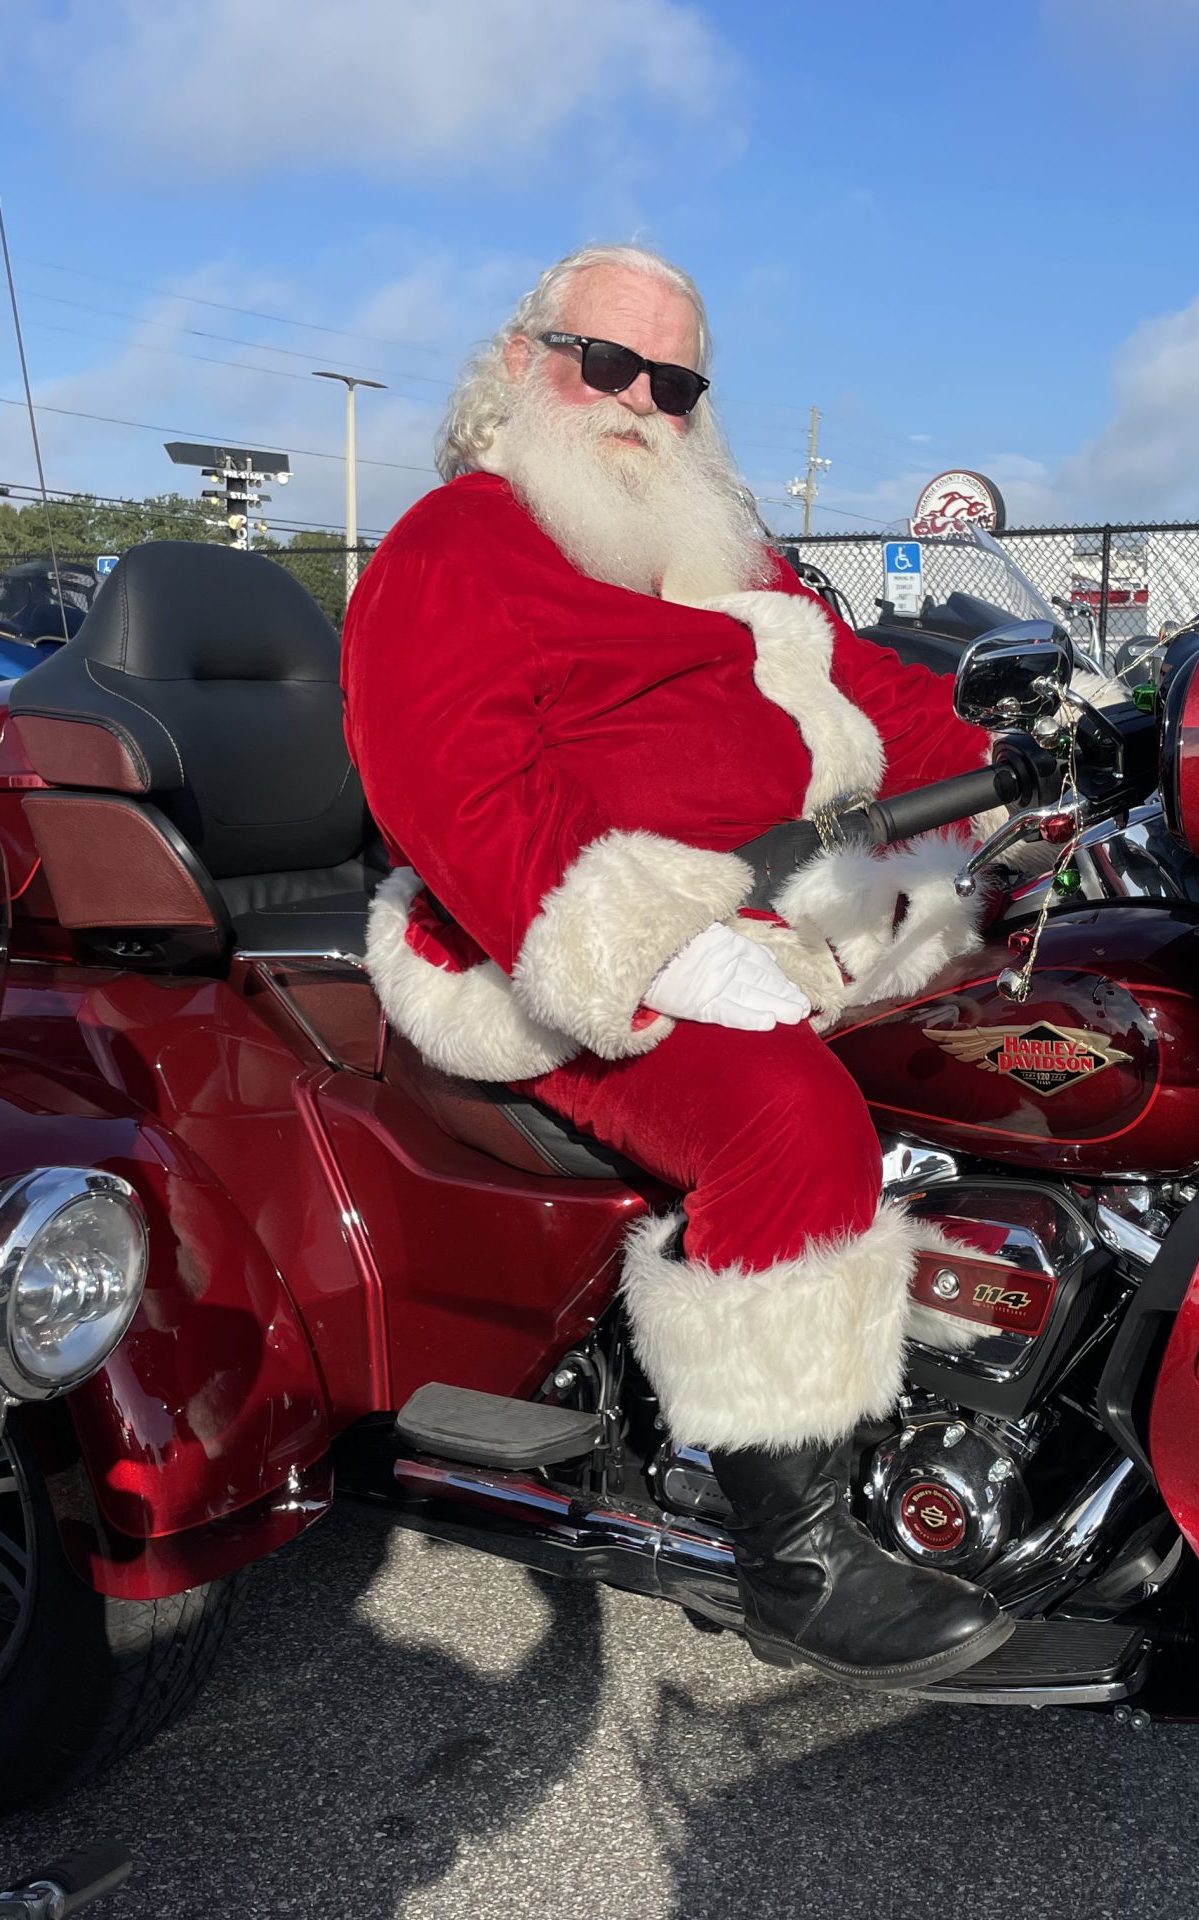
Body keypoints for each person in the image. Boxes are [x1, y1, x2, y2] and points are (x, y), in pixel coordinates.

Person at [342, 245, 1016, 1688]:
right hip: (543, 936)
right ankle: (798, 1553)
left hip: (786, 905)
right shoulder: (459, 543)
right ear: (526, 362)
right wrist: (658, 947)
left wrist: (1033, 749)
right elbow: (451, 790)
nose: (644, 401)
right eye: (610, 363)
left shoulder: (723, 554)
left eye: (679, 379)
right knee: (787, 1117)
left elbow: (864, 687)